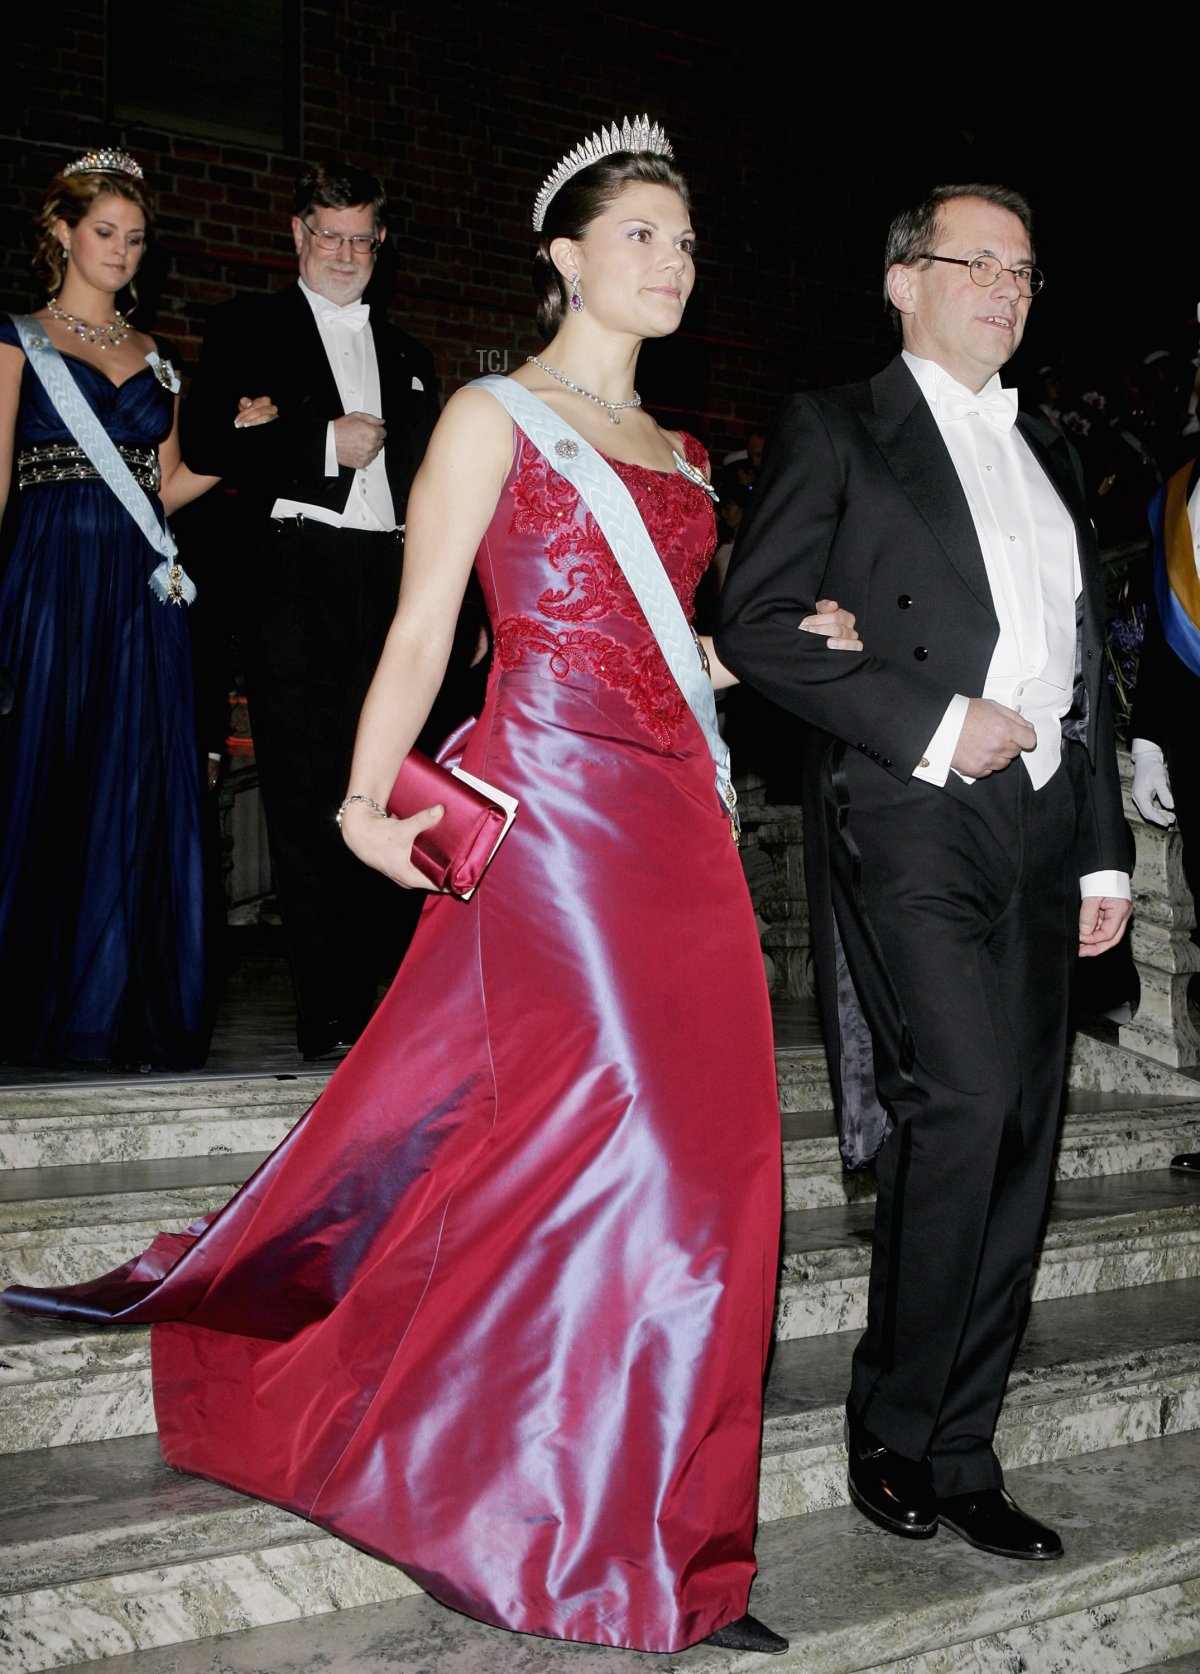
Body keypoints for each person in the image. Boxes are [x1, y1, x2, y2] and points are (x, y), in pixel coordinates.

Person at [3, 119, 863, 1655]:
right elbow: (421, 635)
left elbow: (676, 647)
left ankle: (678, 1540)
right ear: (565, 255)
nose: (672, 262)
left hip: (679, 822)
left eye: (685, 240)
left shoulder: (684, 457)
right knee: (646, 1159)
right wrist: (354, 794)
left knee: (722, 1175)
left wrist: (789, 647)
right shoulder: (485, 416)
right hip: (556, 819)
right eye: (643, 234)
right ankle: (588, 1532)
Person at [715, 183, 1132, 1563]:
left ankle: (965, 1446)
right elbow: (761, 624)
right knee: (958, 1099)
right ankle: (892, 1425)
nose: (1006, 290)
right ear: (905, 280)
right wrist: (941, 722)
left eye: (1025, 271)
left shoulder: (1055, 449)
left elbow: (1089, 669)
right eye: (978, 265)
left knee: (1021, 1133)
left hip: (1042, 819)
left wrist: (1103, 845)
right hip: (912, 807)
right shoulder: (839, 426)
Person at [0, 149, 273, 1069]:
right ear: (62, 232)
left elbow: (161, 486)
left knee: (131, 782)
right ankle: (32, 1000)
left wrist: (235, 443)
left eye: (134, 238)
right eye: (104, 232)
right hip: (47, 573)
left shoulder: (154, 357)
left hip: (139, 585)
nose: (119, 250)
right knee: (46, 774)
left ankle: (119, 1002)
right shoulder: (15, 339)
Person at [180, 161, 444, 1061]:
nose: (344, 253)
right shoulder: (246, 326)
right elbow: (210, 441)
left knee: (400, 782)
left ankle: (397, 1002)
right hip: (295, 579)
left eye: (361, 238)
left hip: (396, 582)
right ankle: (330, 1013)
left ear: (381, 244)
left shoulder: (410, 356)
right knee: (306, 797)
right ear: (297, 234)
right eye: (328, 235)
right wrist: (318, 443)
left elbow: (437, 489)